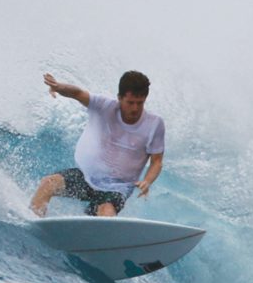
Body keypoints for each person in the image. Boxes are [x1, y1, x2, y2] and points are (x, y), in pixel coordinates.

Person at [30, 71, 165, 217]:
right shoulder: (105, 106)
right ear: (120, 98)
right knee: (48, 184)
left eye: (140, 103)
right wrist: (58, 87)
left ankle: (99, 229)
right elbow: (78, 93)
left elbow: (156, 161)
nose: (135, 108)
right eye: (130, 103)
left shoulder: (154, 124)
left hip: (117, 187)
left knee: (106, 211)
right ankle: (34, 223)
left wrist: (147, 181)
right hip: (88, 177)